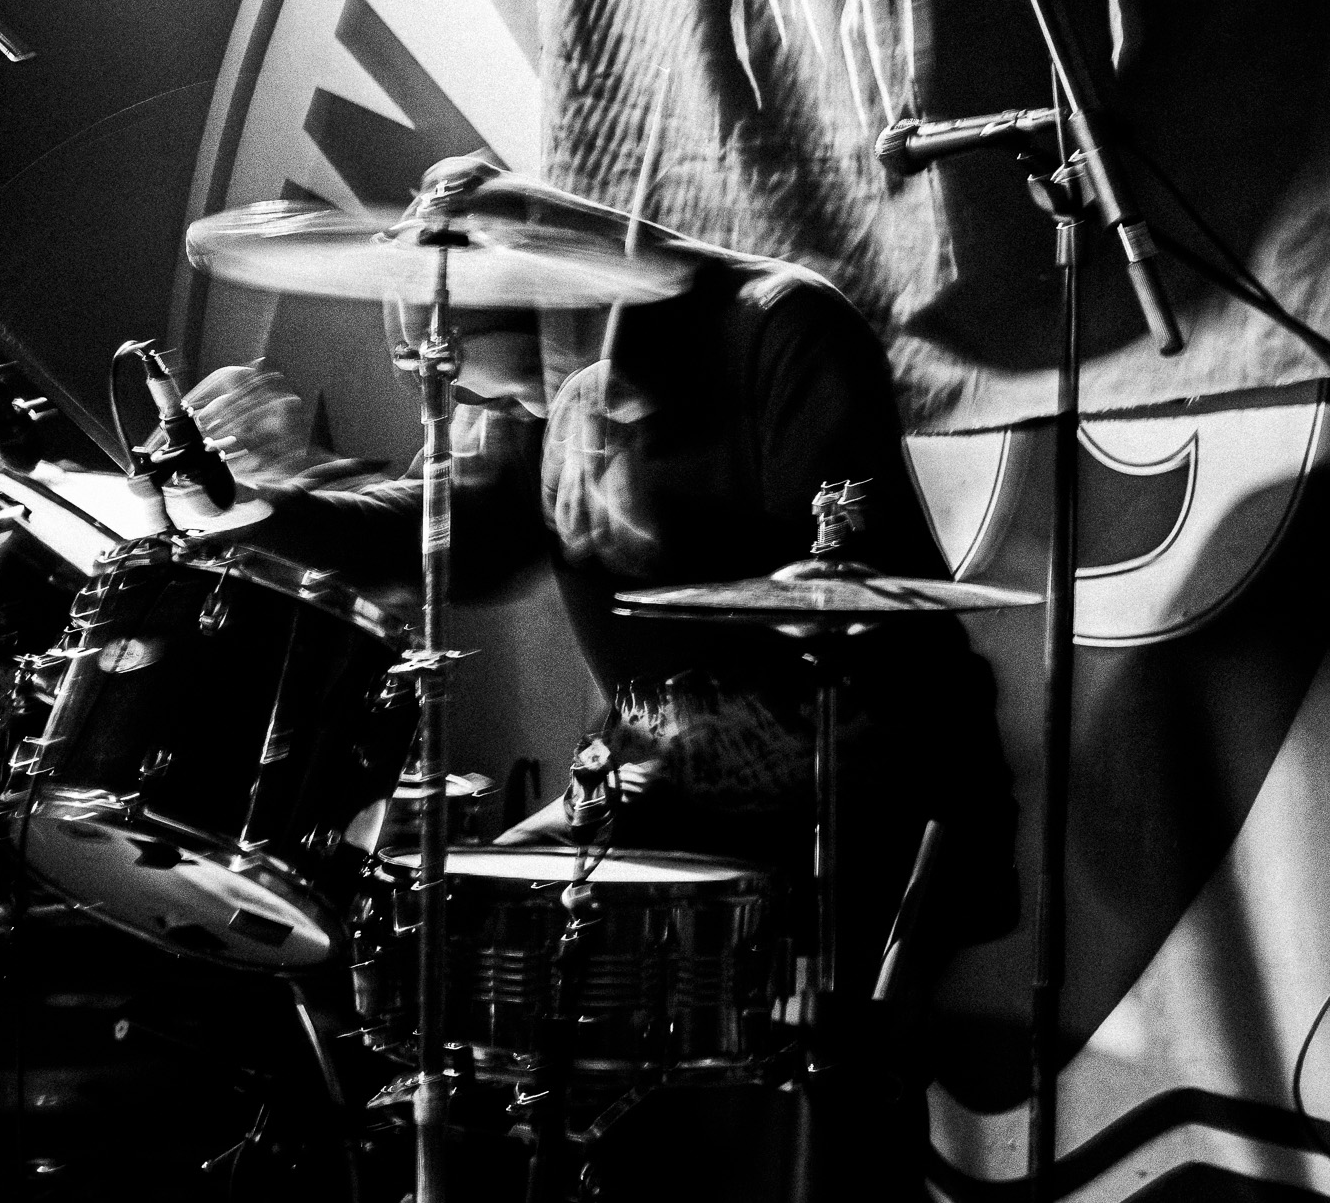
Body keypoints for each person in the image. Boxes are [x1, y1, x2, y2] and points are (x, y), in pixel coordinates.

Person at [188, 154, 1018, 1200]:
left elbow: (876, 618)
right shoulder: (547, 372)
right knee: (446, 961)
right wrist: (262, 501)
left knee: (783, 1137)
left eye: (485, 376)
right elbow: (464, 538)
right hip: (655, 784)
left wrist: (694, 680)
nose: (485, 408)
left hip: (854, 789)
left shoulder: (776, 327)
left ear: (546, 300)